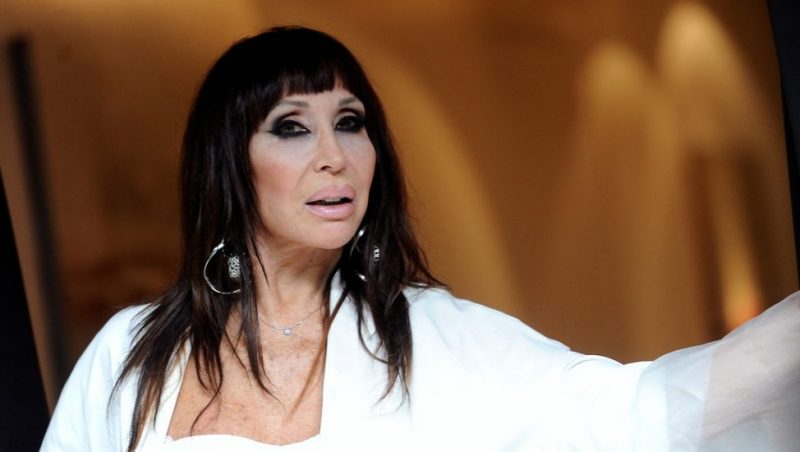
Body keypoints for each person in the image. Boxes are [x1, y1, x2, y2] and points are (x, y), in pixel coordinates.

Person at [40, 26, 799, 452]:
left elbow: (639, 412)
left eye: (350, 122)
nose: (335, 155)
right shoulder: (131, 354)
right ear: (229, 166)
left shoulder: (438, 336)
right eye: (291, 127)